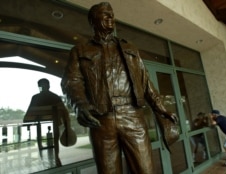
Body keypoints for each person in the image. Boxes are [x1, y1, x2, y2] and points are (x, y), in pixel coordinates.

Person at [61, 2, 177, 174]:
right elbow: (71, 81)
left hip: (133, 117)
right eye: (105, 14)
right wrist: (80, 105)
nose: (111, 17)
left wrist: (160, 107)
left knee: (145, 170)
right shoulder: (80, 50)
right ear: (93, 20)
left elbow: (145, 81)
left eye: (112, 14)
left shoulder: (129, 48)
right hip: (101, 121)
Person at [24, 78, 71, 167]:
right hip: (53, 123)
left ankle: (46, 158)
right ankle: (56, 157)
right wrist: (67, 125)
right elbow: (64, 112)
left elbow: (28, 115)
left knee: (43, 140)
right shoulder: (54, 97)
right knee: (55, 140)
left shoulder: (35, 98)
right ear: (48, 86)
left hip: (42, 125)